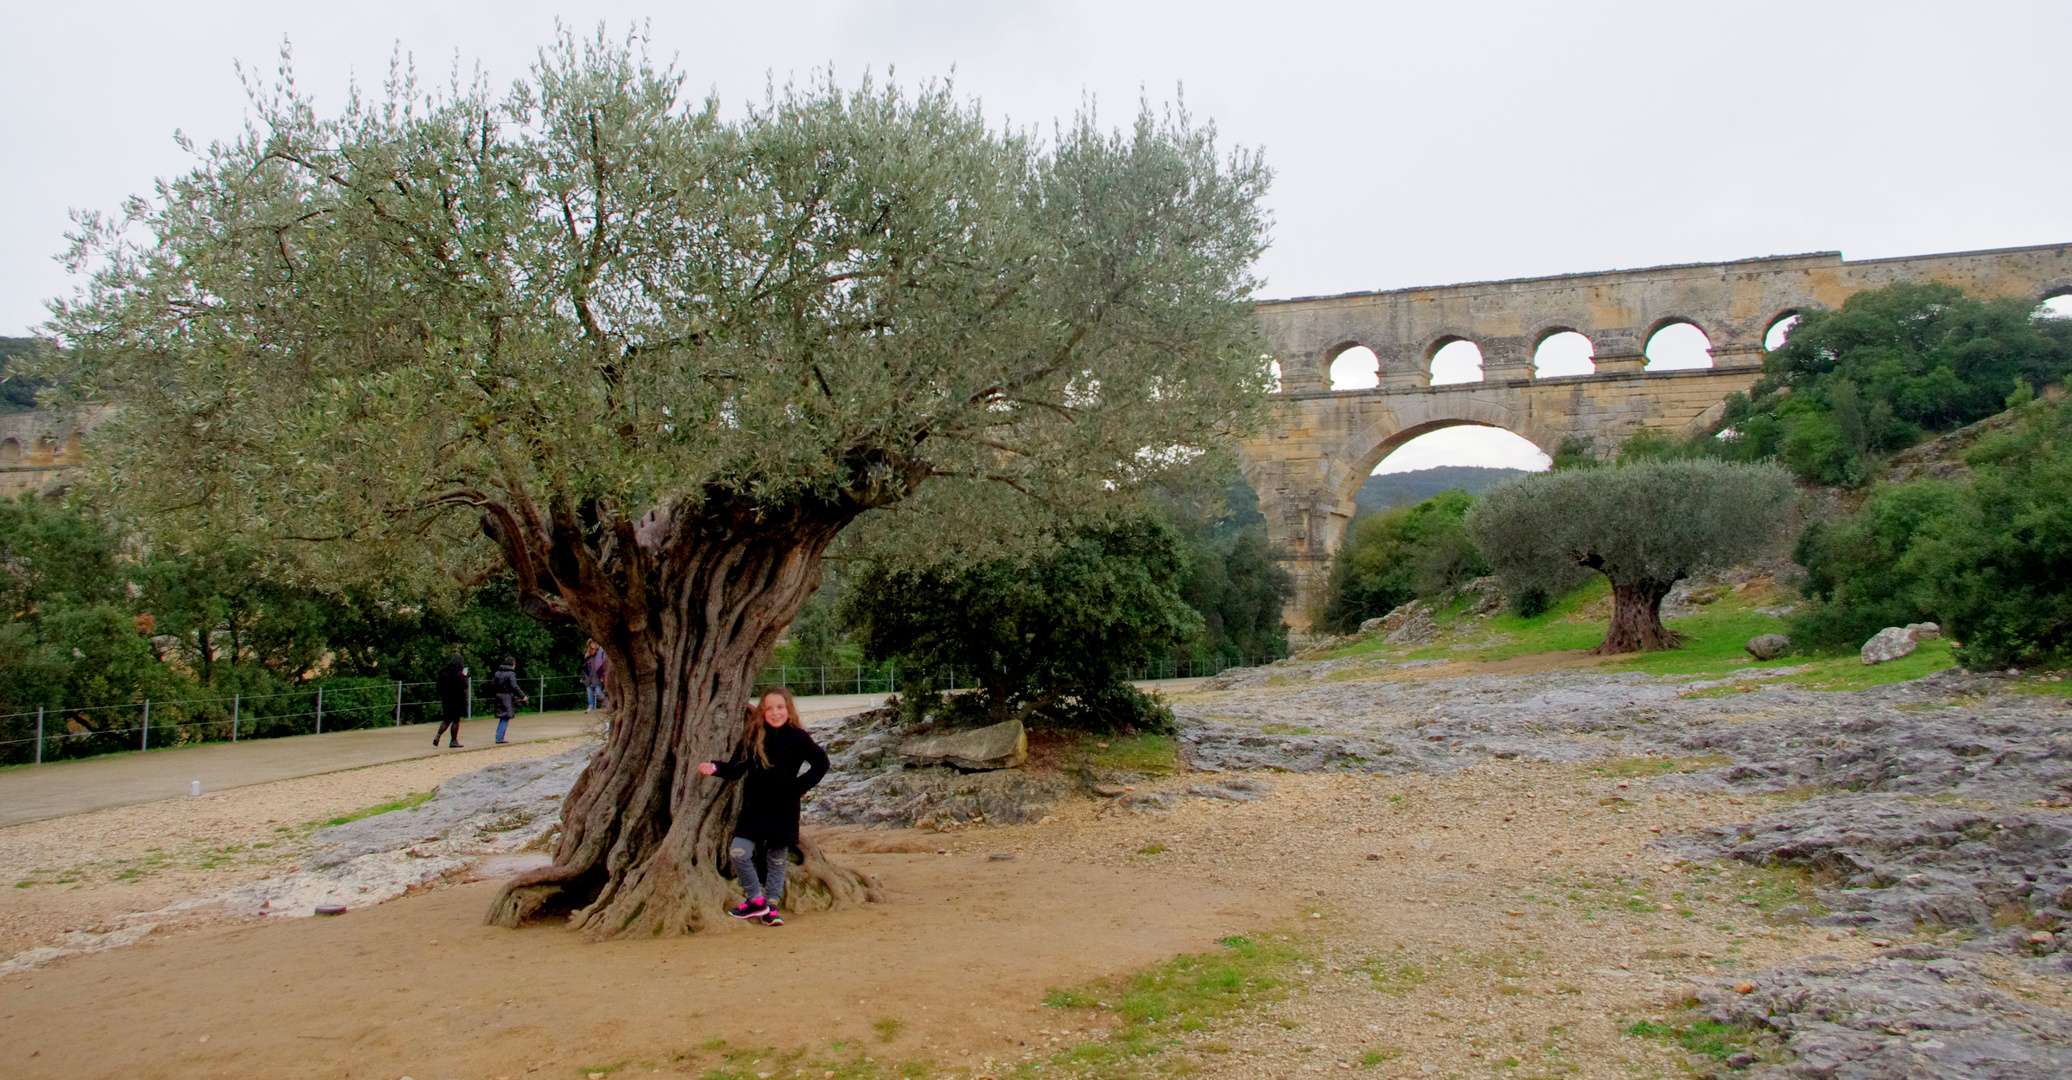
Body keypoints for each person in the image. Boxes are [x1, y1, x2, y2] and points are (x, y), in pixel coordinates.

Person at [696, 687, 829, 926]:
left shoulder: (799, 737)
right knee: (739, 852)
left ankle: (772, 908)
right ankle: (755, 899)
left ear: (788, 709)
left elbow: (821, 763)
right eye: (769, 708)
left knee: (777, 859)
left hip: (784, 808)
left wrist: (800, 786)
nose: (775, 713)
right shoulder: (753, 736)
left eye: (780, 708)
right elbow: (736, 769)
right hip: (754, 808)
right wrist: (715, 768)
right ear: (762, 711)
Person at [433, 648, 470, 748]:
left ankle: (438, 735)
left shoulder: (443, 672)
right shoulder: (459, 674)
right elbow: (465, 685)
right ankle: (453, 740)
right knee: (456, 721)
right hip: (457, 699)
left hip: (446, 699)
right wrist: (465, 675)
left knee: (446, 720)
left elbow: (439, 686)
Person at [489, 656, 529, 744]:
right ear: (512, 664)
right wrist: (522, 696)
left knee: (502, 717)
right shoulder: (511, 674)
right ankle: (499, 738)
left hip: (498, 696)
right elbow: (514, 686)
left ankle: (499, 736)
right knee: (505, 717)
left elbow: (493, 684)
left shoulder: (497, 673)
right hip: (506, 697)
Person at [581, 641, 610, 712]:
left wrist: (602, 676)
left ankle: (608, 704)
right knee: (589, 692)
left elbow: (602, 665)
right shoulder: (588, 655)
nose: (592, 645)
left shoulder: (600, 653)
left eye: (593, 643)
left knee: (598, 691)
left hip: (597, 676)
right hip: (589, 677)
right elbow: (585, 667)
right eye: (591, 644)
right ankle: (590, 707)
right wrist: (583, 677)